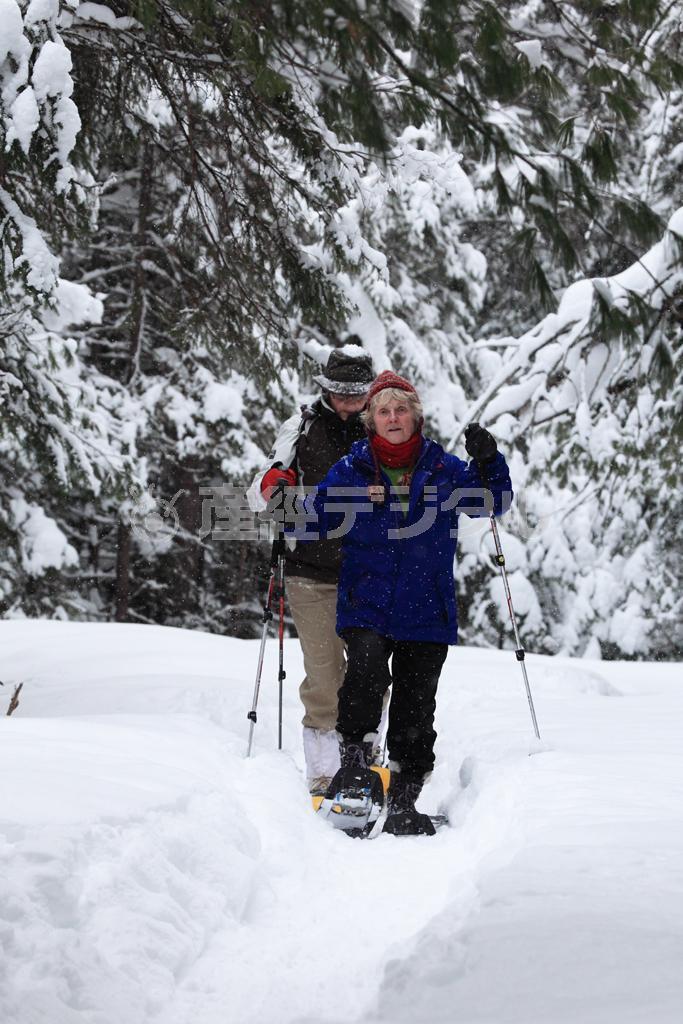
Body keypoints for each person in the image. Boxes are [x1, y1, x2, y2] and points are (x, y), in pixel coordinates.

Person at [307, 369, 513, 835]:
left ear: (415, 416)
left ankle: (403, 798)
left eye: (401, 409)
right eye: (384, 410)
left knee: (416, 705)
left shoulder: (444, 469)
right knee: (364, 676)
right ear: (371, 420)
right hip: (367, 601)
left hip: (426, 605)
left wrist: (490, 460)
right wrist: (359, 496)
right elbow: (317, 516)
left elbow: (492, 502)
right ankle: (355, 776)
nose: (393, 417)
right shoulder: (352, 468)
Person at [247, 345, 375, 795]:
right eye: (340, 393)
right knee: (324, 674)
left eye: (356, 393)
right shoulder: (301, 426)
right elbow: (259, 490)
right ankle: (323, 771)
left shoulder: (382, 425)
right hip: (310, 571)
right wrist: (276, 488)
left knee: (368, 671)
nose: (348, 402)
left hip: (369, 570)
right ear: (326, 389)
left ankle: (364, 760)